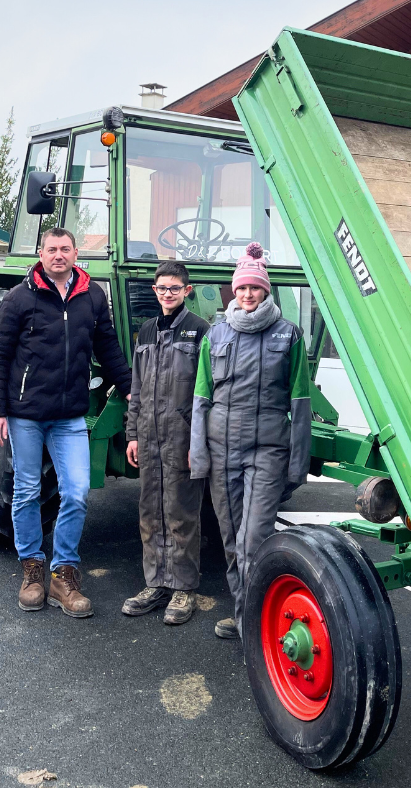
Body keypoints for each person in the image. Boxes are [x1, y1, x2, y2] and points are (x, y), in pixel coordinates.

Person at [0, 227, 132, 617]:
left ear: (76, 253)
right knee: (28, 489)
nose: (58, 255)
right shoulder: (19, 298)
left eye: (65, 249)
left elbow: (108, 348)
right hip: (26, 414)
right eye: (52, 249)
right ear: (41, 253)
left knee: (78, 490)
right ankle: (32, 570)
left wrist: (131, 387)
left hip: (69, 416)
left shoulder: (91, 296)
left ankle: (63, 574)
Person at [190, 242, 311, 640]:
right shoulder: (216, 334)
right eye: (241, 288)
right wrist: (198, 452)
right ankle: (245, 616)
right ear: (233, 290)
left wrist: (297, 464)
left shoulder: (288, 335)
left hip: (267, 452)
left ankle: (259, 621)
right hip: (223, 451)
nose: (247, 294)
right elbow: (201, 397)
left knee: (255, 537)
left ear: (266, 291)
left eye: (255, 288)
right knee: (230, 540)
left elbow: (300, 401)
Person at [122, 262, 210, 625]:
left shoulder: (200, 331)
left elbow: (206, 393)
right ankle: (155, 583)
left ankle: (184, 588)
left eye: (174, 288)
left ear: (187, 290)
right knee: (150, 511)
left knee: (181, 512)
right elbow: (137, 388)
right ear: (154, 291)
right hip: (149, 435)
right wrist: (132, 435)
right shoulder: (146, 331)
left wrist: (198, 442)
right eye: (161, 288)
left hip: (182, 438)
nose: (167, 294)